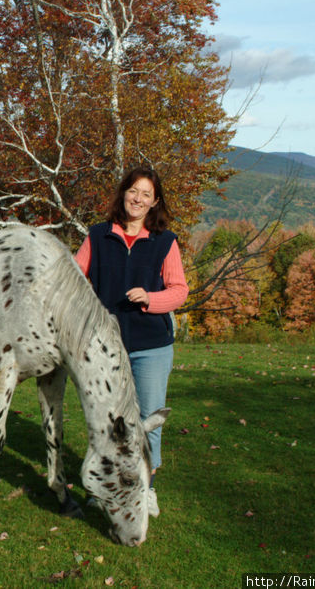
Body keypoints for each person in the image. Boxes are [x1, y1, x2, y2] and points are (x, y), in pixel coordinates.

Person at [74, 166, 188, 517]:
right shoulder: (97, 236)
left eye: (146, 195)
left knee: (146, 420)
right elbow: (74, 280)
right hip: (105, 348)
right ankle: (104, 487)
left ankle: (146, 488)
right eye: (133, 191)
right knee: (108, 422)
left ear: (155, 203)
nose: (138, 199)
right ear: (123, 194)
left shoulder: (164, 241)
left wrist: (151, 300)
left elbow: (179, 291)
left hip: (151, 348)